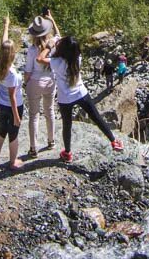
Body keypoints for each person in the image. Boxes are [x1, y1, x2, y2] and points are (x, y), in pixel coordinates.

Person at [49, 20, 123, 163]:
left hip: (65, 98)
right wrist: (52, 20)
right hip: (81, 93)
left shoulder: (56, 62)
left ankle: (68, 153)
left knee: (67, 125)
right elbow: (63, 40)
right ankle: (113, 141)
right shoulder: (78, 58)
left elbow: (41, 59)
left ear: (62, 49)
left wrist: (50, 46)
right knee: (96, 117)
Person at [0, 17, 24, 171]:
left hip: (0, 105)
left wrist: (6, 25)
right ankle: (12, 162)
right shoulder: (13, 75)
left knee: (1, 130)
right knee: (14, 134)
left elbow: (3, 43)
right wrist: (17, 116)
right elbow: (12, 97)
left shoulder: (0, 64)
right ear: (12, 54)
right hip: (13, 106)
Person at [22, 14, 57, 157]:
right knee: (50, 111)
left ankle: (33, 148)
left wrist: (25, 83)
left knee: (34, 115)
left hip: (35, 82)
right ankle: (51, 141)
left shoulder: (31, 50)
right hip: (50, 81)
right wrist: (52, 18)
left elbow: (28, 71)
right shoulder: (54, 46)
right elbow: (58, 35)